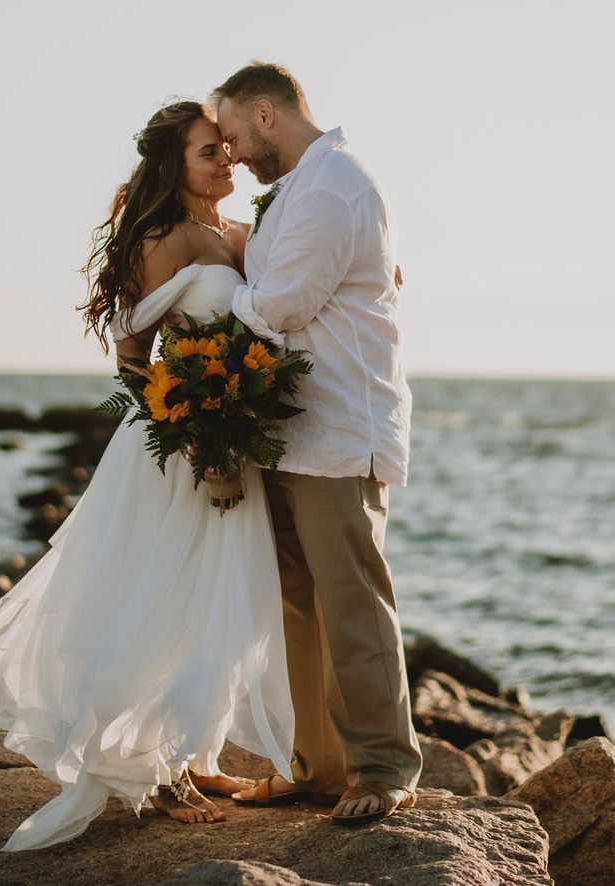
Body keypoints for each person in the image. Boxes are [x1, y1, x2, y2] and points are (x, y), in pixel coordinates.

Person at [0, 100, 294, 852]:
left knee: (219, 597)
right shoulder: (162, 239)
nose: (225, 162)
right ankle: (153, 769)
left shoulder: (236, 234)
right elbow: (133, 358)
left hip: (230, 438)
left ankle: (194, 752)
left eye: (225, 149)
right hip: (177, 448)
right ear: (172, 164)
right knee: (163, 593)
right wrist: (196, 436)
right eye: (208, 151)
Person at [212, 61, 423, 825]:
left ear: (266, 114)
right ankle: (319, 768)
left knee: (352, 601)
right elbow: (274, 277)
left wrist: (206, 297)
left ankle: (384, 766)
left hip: (341, 427)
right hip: (293, 431)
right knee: (300, 603)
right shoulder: (300, 189)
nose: (231, 152)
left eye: (234, 134)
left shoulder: (335, 184)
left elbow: (283, 304)